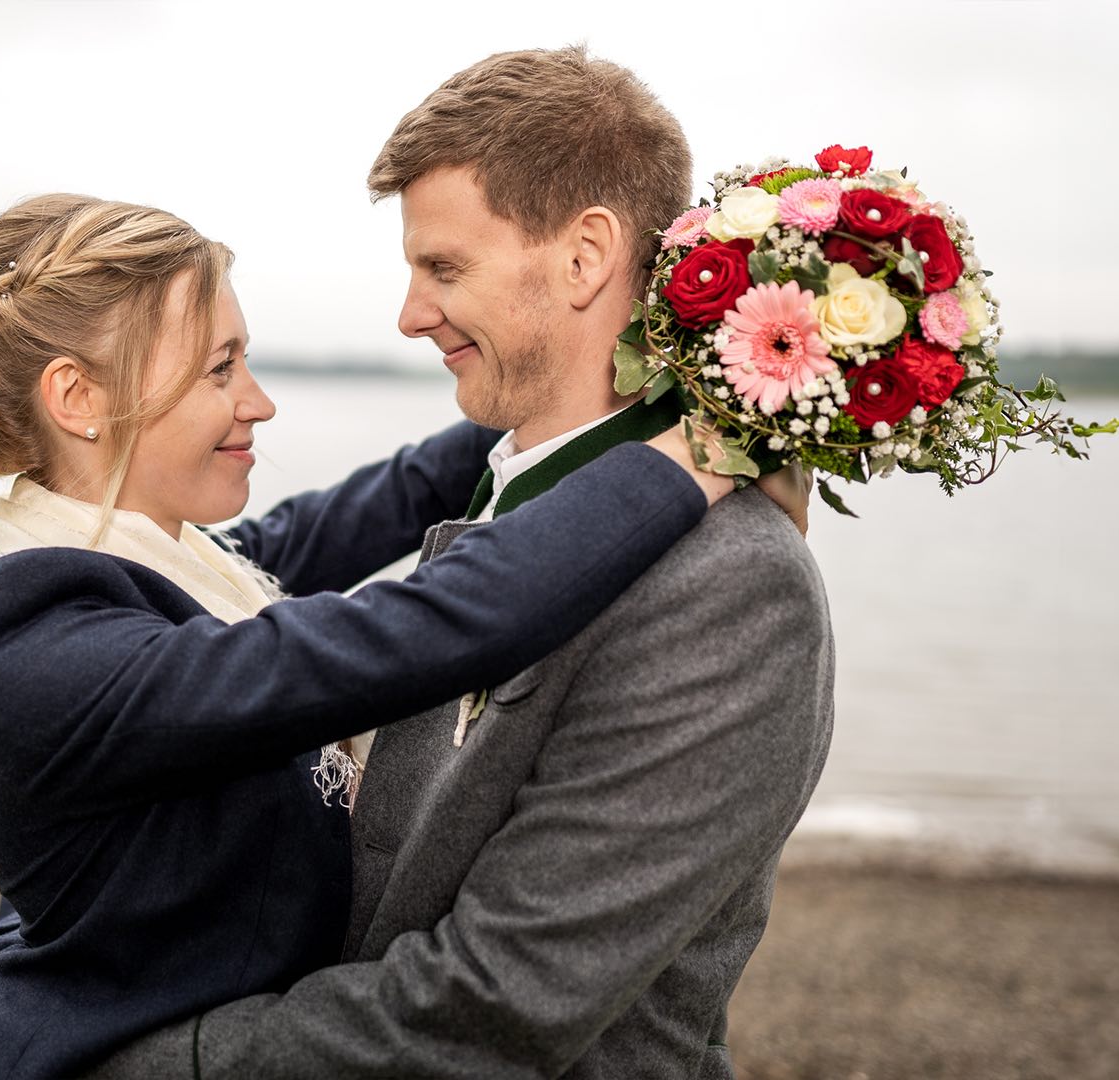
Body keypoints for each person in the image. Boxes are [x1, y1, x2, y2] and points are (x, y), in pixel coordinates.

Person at [0, 193, 804, 1078]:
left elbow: (379, 505)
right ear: (77, 398)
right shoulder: (45, 645)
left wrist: (582, 379)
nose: (259, 403)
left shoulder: (178, 570)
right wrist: (692, 454)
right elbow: (421, 629)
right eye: (218, 368)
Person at [85, 46, 836, 1079]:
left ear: (584, 258)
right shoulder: (501, 489)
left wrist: (156, 1062)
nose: (409, 313)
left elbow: (494, 1008)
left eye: (443, 269)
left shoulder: (732, 586)